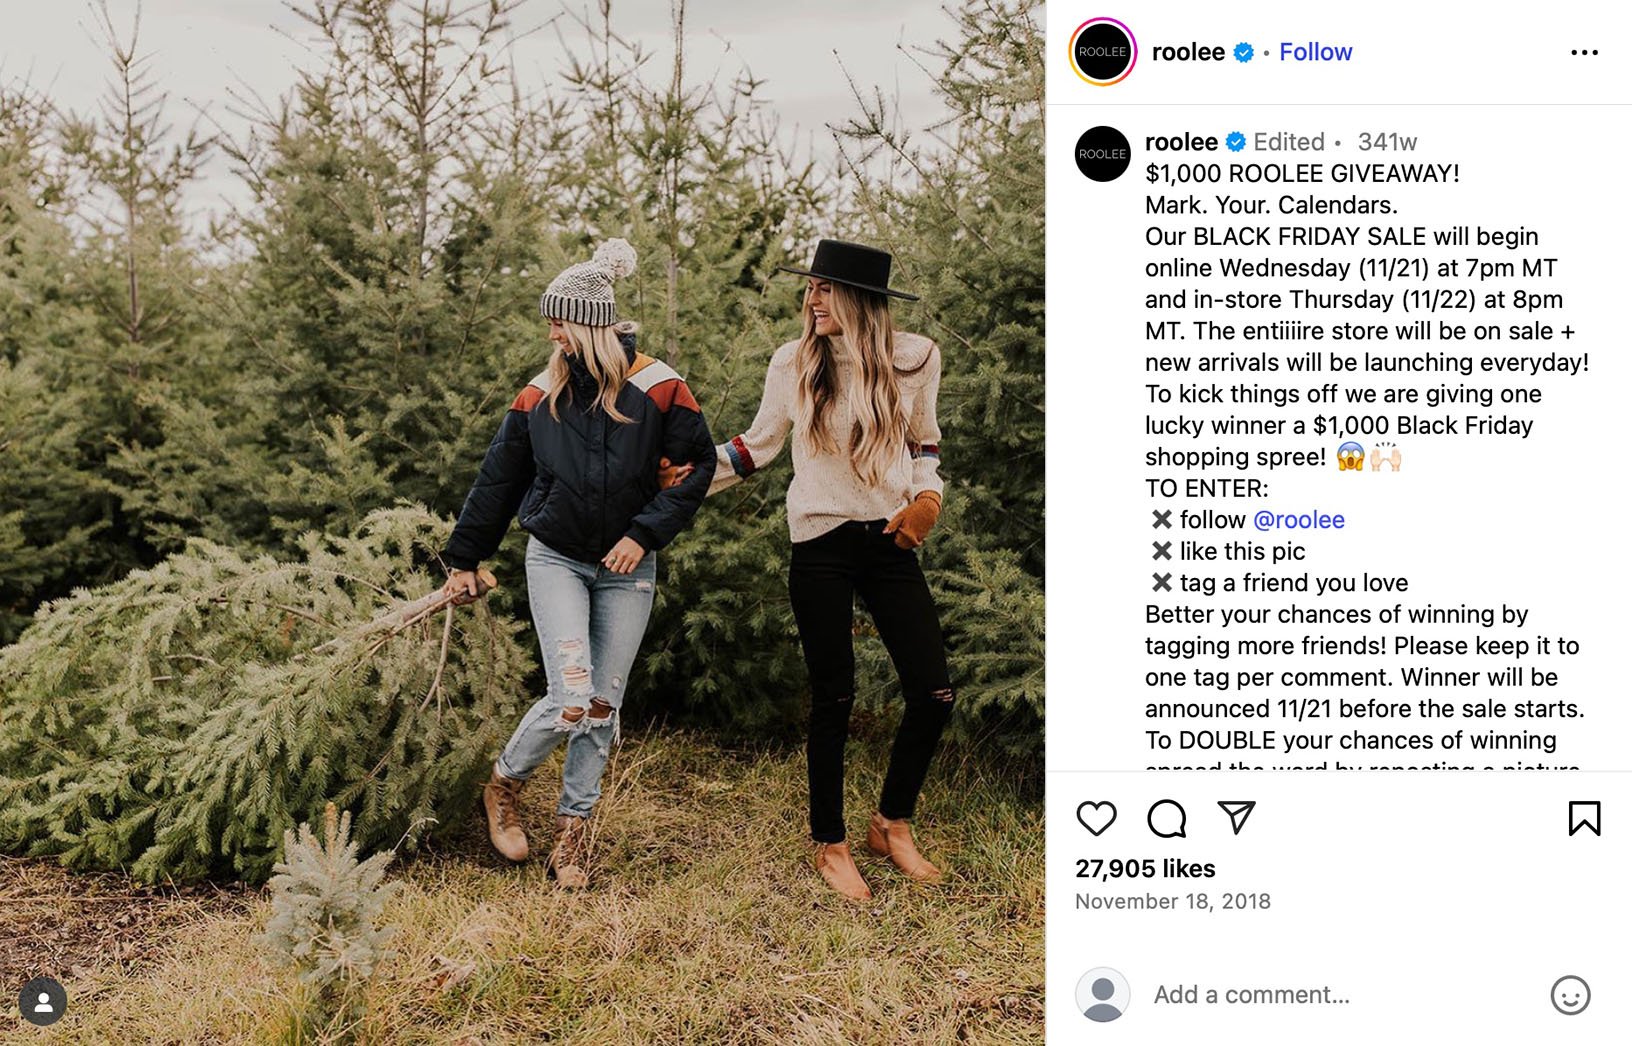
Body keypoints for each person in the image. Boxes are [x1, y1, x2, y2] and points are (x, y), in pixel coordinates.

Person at [440, 239, 715, 887]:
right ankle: (503, 785)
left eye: (559, 322)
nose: (552, 334)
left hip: (628, 569)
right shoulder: (540, 395)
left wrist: (644, 534)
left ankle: (574, 832)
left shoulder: (660, 386)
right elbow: (498, 481)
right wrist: (465, 558)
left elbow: (696, 467)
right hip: (557, 559)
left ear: (589, 325)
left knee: (601, 705)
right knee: (571, 697)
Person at [695, 239, 955, 902]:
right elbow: (756, 447)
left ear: (860, 300)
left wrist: (927, 499)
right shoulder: (794, 361)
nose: (811, 299)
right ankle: (830, 843)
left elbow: (924, 441)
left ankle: (891, 824)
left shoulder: (916, 358)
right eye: (809, 287)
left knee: (934, 693)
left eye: (824, 288)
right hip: (820, 541)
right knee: (835, 695)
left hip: (889, 538)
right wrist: (680, 478)